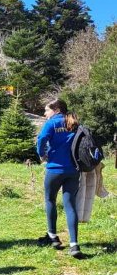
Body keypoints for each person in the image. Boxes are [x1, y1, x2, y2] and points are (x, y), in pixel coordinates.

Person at [36, 98, 82, 258]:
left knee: (50, 200)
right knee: (70, 205)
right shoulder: (74, 122)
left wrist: (42, 155)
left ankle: (53, 236)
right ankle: (74, 245)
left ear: (56, 110)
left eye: (46, 110)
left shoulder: (51, 123)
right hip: (73, 170)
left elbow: (41, 139)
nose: (44, 113)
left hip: (55, 169)